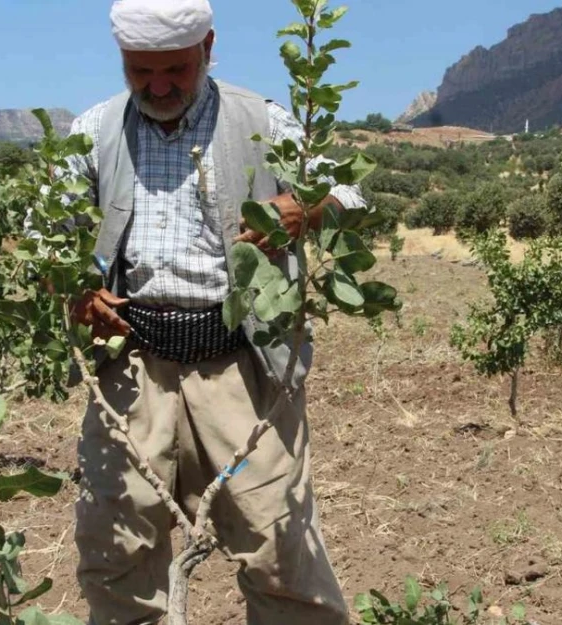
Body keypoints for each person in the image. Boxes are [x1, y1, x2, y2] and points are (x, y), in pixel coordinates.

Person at [60, 1, 365, 623]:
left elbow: (351, 192)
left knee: (280, 550)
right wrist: (74, 289)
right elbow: (48, 234)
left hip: (241, 366)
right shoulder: (94, 130)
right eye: (140, 72)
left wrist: (307, 209)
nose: (159, 86)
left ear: (208, 48)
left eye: (175, 69)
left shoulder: (263, 119)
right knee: (115, 551)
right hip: (133, 365)